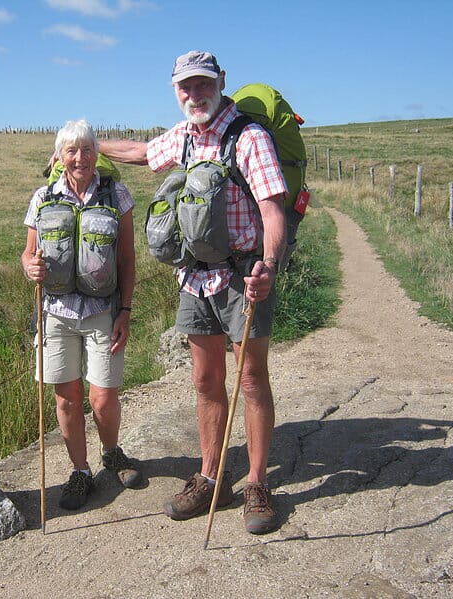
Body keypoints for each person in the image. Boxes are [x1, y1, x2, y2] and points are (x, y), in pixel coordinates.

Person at [98, 51, 287, 534]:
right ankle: (211, 477)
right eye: (185, 87)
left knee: (250, 380)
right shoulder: (181, 138)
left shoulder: (248, 137)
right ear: (175, 90)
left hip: (245, 276)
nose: (194, 94)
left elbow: (273, 211)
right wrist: (85, 146)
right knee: (205, 381)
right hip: (195, 279)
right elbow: (141, 153)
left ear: (221, 82)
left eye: (202, 84)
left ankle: (258, 483)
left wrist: (267, 267)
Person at [22, 119, 142, 510]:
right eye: (71, 151)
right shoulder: (42, 198)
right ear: (59, 157)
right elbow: (28, 253)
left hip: (103, 311)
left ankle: (111, 453)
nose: (80, 158)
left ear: (96, 154)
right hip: (55, 312)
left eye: (87, 150)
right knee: (67, 400)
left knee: (102, 398)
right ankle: (80, 470)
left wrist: (125, 310)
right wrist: (29, 266)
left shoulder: (116, 195)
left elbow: (126, 258)